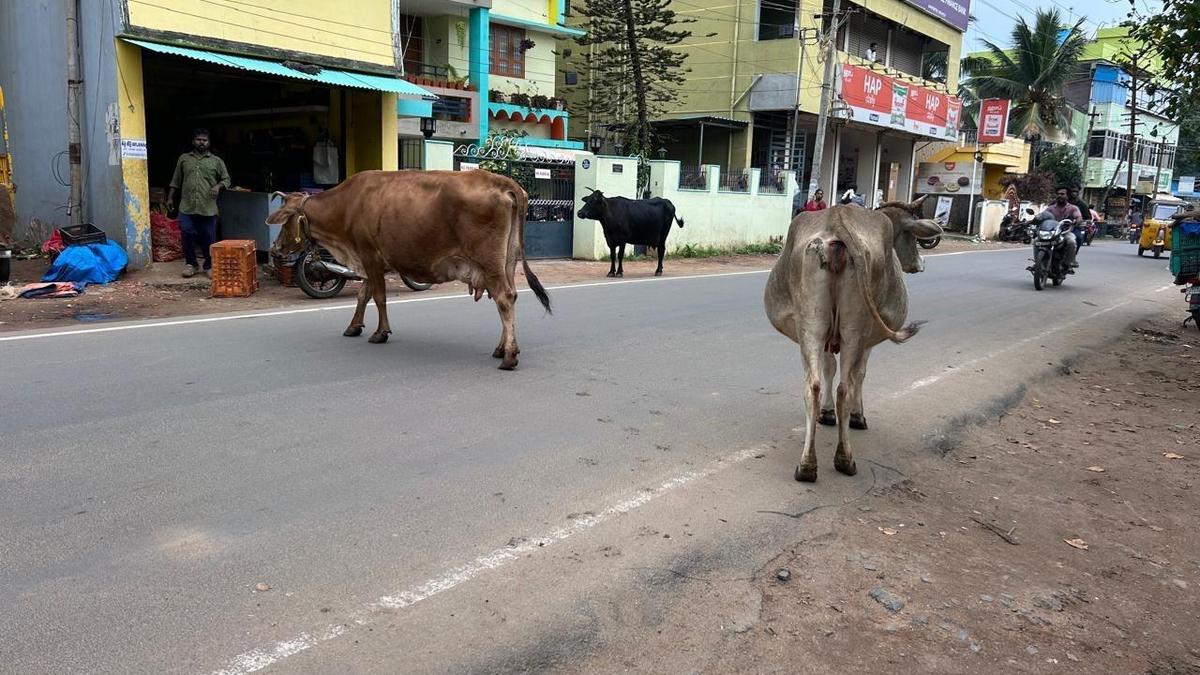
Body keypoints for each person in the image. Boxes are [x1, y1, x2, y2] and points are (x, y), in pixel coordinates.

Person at [167, 128, 230, 278]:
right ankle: (191, 264)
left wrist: (218, 186)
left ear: (209, 143)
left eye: (204, 140)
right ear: (193, 141)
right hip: (187, 206)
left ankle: (209, 265)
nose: (201, 142)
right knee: (187, 235)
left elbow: (227, 179)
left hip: (207, 207)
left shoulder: (216, 161)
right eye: (198, 139)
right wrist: (170, 197)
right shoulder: (184, 159)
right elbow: (176, 180)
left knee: (208, 238)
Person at [1041, 186, 1082, 270]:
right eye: (1058, 194)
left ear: (1067, 196)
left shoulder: (1073, 208)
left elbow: (1078, 217)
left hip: (1065, 232)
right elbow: (1042, 215)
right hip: (1051, 232)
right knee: (1037, 240)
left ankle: (1069, 262)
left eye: (1062, 194)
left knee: (1071, 241)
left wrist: (1077, 221)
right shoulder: (1051, 208)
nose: (1059, 195)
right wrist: (1035, 219)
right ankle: (1039, 262)